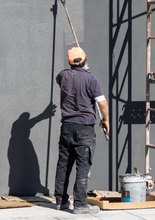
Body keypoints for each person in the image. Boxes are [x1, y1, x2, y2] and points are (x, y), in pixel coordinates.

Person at [54, 46, 109, 215]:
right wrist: (106, 119)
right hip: (84, 127)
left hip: (67, 127)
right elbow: (102, 103)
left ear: (70, 62)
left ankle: (61, 201)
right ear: (85, 60)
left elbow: (64, 79)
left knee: (64, 164)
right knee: (83, 165)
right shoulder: (91, 79)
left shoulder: (62, 76)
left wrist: (80, 69)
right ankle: (80, 204)